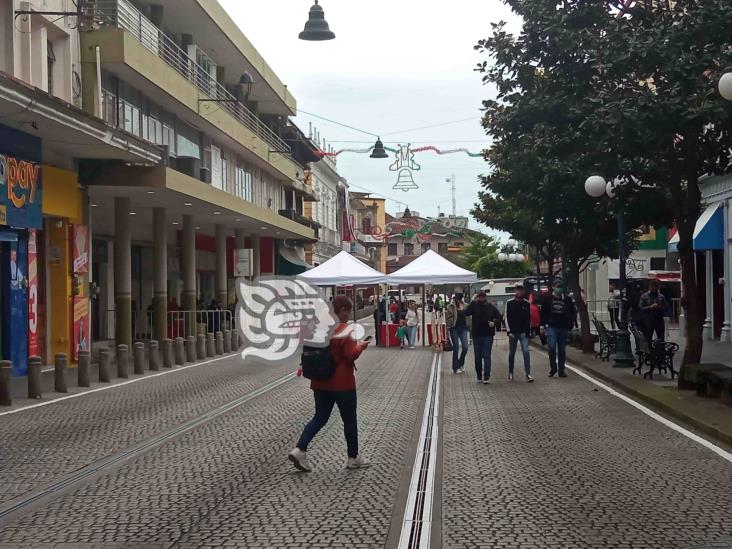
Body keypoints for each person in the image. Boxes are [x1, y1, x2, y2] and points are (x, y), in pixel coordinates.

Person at [289, 295, 371, 472]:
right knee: (349, 420)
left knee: (319, 417)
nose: (348, 316)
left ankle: (300, 449)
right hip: (342, 384)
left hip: (320, 382)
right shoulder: (344, 329)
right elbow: (351, 355)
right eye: (348, 312)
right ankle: (353, 457)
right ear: (341, 310)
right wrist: (361, 346)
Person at [465, 290, 503, 384]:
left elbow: (499, 317)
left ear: (485, 297)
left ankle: (486, 376)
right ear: (477, 297)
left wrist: (494, 322)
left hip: (488, 334)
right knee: (477, 357)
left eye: (483, 296)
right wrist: (472, 301)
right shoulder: (474, 305)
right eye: (479, 296)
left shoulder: (490, 307)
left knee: (486, 356)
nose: (481, 298)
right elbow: (466, 312)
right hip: (477, 334)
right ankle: (479, 375)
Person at [540, 286, 576, 378]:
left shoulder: (567, 299)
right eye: (557, 287)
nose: (559, 289)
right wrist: (544, 325)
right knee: (551, 347)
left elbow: (572, 311)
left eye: (560, 287)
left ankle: (561, 370)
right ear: (553, 288)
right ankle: (553, 368)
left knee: (562, 350)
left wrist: (570, 322)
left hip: (563, 327)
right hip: (551, 326)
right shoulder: (548, 299)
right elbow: (543, 312)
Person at [504, 283, 534, 382]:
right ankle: (510, 372)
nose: (519, 292)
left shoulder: (526, 303)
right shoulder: (509, 303)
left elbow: (529, 318)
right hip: (513, 331)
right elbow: (506, 317)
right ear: (515, 291)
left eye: (521, 290)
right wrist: (508, 331)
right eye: (518, 290)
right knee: (512, 353)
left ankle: (528, 373)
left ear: (523, 291)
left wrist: (528, 331)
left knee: (526, 351)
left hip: (523, 331)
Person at [445, 294, 469, 373]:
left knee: (465, 347)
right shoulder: (450, 306)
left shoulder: (466, 306)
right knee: (456, 347)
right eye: (458, 298)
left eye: (460, 298)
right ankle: (455, 367)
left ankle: (461, 363)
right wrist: (449, 326)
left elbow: (468, 316)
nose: (459, 299)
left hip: (463, 328)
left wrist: (469, 324)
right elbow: (448, 318)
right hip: (454, 328)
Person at [639, 279, 668, 344]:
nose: (654, 289)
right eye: (653, 288)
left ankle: (660, 350)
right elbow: (640, 308)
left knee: (660, 337)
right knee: (648, 337)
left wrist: (659, 307)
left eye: (656, 288)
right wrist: (650, 307)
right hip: (648, 319)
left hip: (659, 319)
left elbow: (666, 307)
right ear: (650, 287)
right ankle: (649, 351)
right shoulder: (644, 296)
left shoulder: (661, 296)